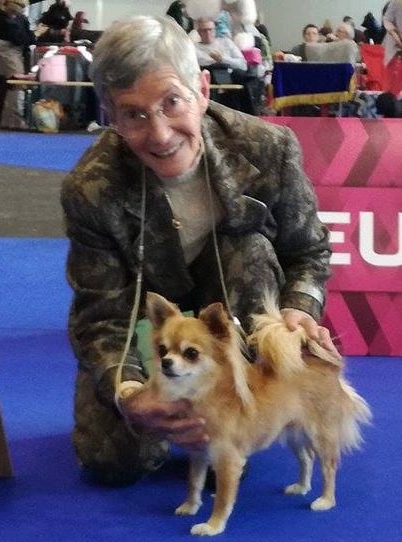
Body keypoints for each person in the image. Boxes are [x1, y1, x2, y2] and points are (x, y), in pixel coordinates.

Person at [61, 15, 335, 486]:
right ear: (110, 117)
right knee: (111, 460)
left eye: (172, 102)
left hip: (229, 326)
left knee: (250, 249)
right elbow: (101, 317)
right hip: (151, 329)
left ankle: (240, 408)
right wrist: (129, 392)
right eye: (134, 114)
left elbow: (308, 252)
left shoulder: (269, 149)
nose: (160, 133)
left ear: (203, 90)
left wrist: (298, 309)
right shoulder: (90, 189)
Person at [0, 0, 36, 129]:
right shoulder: (10, 18)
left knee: (6, 84)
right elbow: (19, 39)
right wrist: (35, 35)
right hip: (9, 51)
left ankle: (4, 119)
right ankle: (14, 119)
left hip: (3, 51)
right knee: (17, 83)